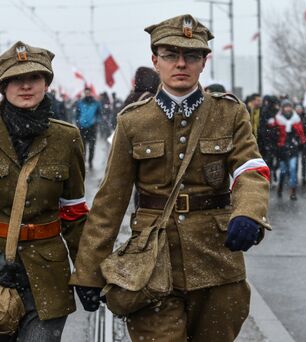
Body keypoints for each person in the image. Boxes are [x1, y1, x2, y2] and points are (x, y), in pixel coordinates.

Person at [70, 14, 271, 342]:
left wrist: (249, 212)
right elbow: (110, 201)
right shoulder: (133, 122)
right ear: (155, 60)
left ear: (204, 62)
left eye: (191, 56)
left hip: (217, 260)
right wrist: (89, 271)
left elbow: (251, 170)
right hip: (151, 266)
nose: (181, 64)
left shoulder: (229, 114)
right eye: (170, 55)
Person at [0, 41, 88, 342]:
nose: (25, 85)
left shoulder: (67, 138)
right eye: (15, 79)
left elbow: (73, 213)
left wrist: (89, 273)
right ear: (2, 86)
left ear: (46, 84)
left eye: (34, 78)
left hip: (48, 276)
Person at [269, 99, 306, 200]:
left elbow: (301, 134)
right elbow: (272, 134)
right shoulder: (277, 120)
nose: (287, 108)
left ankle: (293, 191)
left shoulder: (296, 119)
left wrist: (300, 142)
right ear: (282, 108)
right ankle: (280, 188)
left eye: (289, 106)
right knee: (282, 171)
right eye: (285, 106)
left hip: (293, 148)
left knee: (293, 169)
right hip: (281, 149)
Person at [75, 87, 102, 169]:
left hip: (92, 127)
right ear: (84, 93)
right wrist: (78, 122)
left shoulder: (96, 103)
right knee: (82, 146)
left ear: (91, 93)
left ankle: (90, 161)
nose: (87, 94)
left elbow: (99, 114)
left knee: (91, 146)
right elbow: (77, 113)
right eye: (86, 92)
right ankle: (83, 161)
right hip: (82, 127)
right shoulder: (80, 103)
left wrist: (96, 122)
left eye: (88, 92)